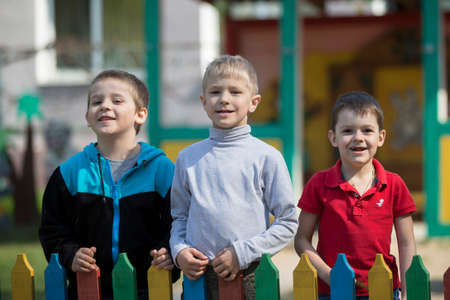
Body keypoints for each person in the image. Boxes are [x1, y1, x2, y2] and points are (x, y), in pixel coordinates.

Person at [39, 69, 179, 300]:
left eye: (116, 100)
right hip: (86, 290)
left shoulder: (162, 170)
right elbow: (52, 229)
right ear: (87, 117)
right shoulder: (69, 173)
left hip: (150, 289)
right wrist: (69, 254)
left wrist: (169, 252)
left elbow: (179, 222)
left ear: (140, 114)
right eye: (97, 101)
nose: (104, 106)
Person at [170, 55, 298, 300]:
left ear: (254, 102)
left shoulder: (266, 157)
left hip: (250, 274)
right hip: (198, 279)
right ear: (204, 101)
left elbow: (288, 222)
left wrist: (242, 253)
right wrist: (179, 251)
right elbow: (179, 216)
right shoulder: (187, 159)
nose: (224, 99)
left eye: (235, 91)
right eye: (215, 91)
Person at [294, 91, 416, 300]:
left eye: (367, 130)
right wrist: (326, 274)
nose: (358, 138)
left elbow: (406, 243)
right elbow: (301, 239)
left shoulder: (394, 185)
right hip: (330, 291)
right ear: (333, 137)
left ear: (381, 137)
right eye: (348, 130)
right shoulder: (318, 184)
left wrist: (407, 291)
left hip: (383, 289)